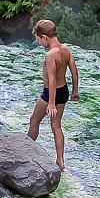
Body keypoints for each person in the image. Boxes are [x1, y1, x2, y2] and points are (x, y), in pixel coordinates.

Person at [27, 19, 80, 171]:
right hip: (64, 91)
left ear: (44, 37)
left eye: (38, 40)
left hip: (50, 93)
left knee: (34, 120)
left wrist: (50, 103)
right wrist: (75, 91)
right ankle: (61, 161)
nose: (39, 43)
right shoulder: (66, 49)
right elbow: (74, 73)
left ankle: (26, 149)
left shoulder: (51, 54)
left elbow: (52, 79)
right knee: (56, 126)